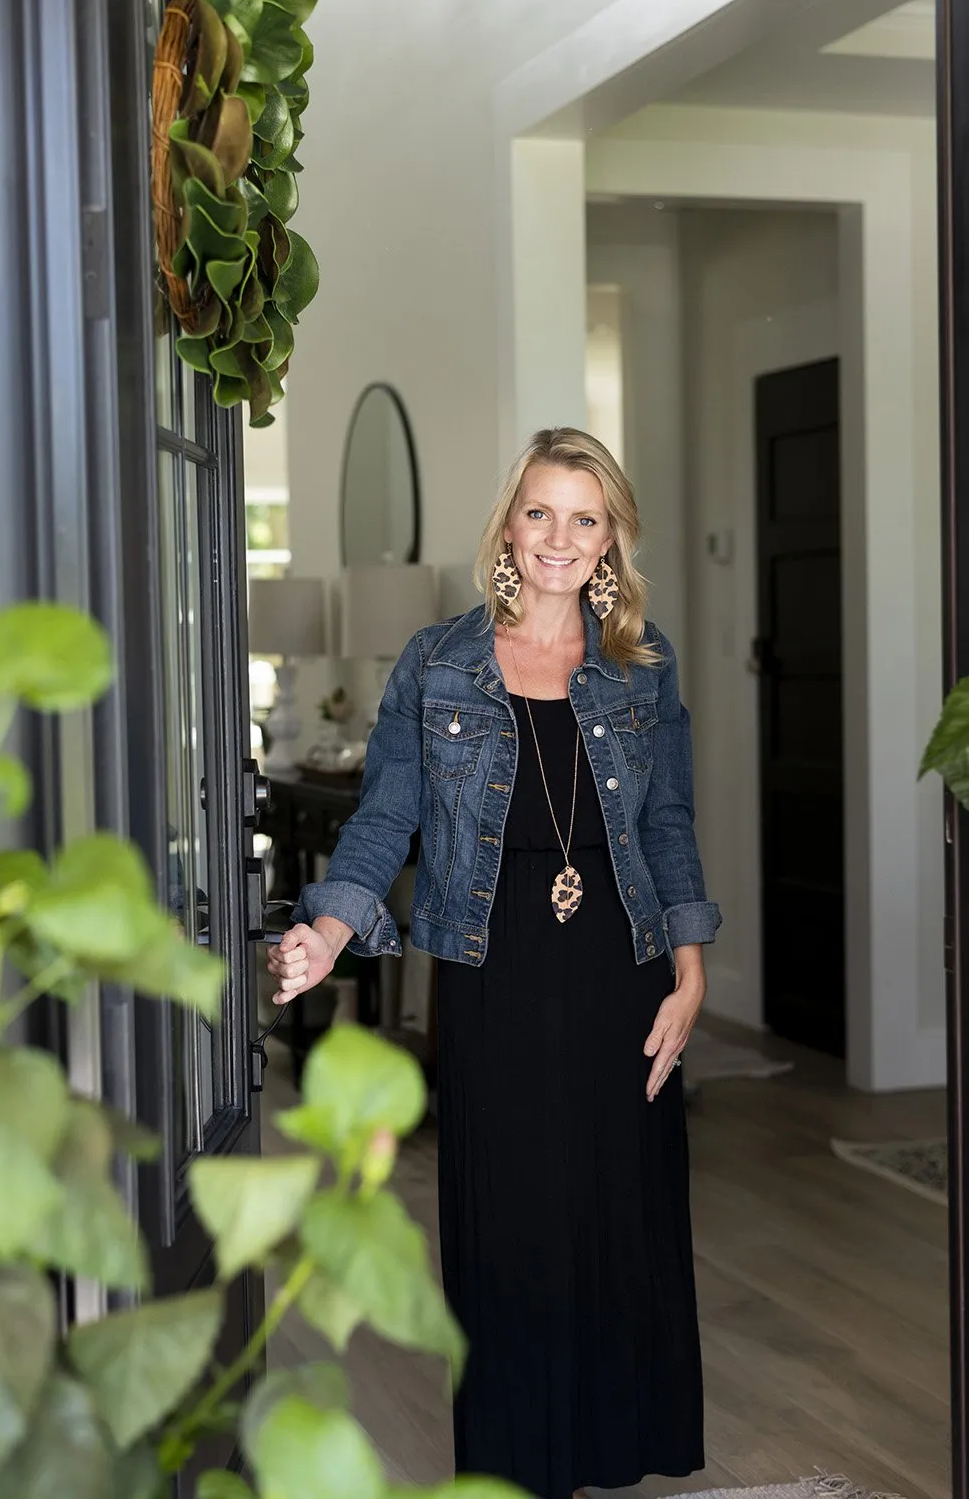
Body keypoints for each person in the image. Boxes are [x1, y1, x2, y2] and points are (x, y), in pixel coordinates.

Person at [268, 427, 722, 1499]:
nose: (560, 538)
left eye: (585, 518)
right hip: (490, 965)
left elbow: (665, 826)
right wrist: (327, 929)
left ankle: (607, 1454)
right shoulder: (440, 663)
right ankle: (516, 1472)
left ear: (610, 540)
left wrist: (691, 974)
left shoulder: (640, 672)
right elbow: (387, 817)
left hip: (623, 968)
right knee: (506, 1227)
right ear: (508, 525)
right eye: (540, 512)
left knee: (616, 1218)